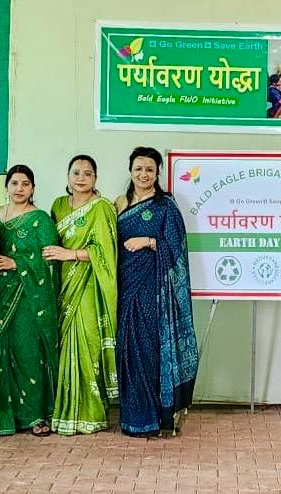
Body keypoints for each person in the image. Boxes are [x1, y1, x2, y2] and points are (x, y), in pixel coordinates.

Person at [114, 147, 199, 437]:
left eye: (149, 169)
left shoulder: (166, 206)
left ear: (158, 173)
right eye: (138, 168)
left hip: (153, 290)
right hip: (123, 287)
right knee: (126, 349)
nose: (143, 174)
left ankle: (154, 417)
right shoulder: (117, 204)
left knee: (149, 350)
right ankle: (131, 417)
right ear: (130, 170)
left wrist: (150, 241)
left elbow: (177, 250)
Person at [0, 165, 61, 437]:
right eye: (14, 183)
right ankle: (3, 416)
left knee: (28, 353)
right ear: (7, 186)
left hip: (29, 298)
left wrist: (17, 263)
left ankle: (36, 415)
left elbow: (51, 260)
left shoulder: (40, 219)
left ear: (33, 188)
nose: (19, 188)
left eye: (25, 184)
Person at [45, 155, 119, 435]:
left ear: (95, 179)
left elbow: (107, 252)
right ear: (67, 177)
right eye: (76, 172)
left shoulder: (102, 208)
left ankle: (91, 413)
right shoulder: (58, 205)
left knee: (87, 344)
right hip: (63, 283)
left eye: (87, 173)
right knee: (64, 347)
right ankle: (64, 412)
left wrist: (71, 254)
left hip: (88, 285)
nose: (81, 178)